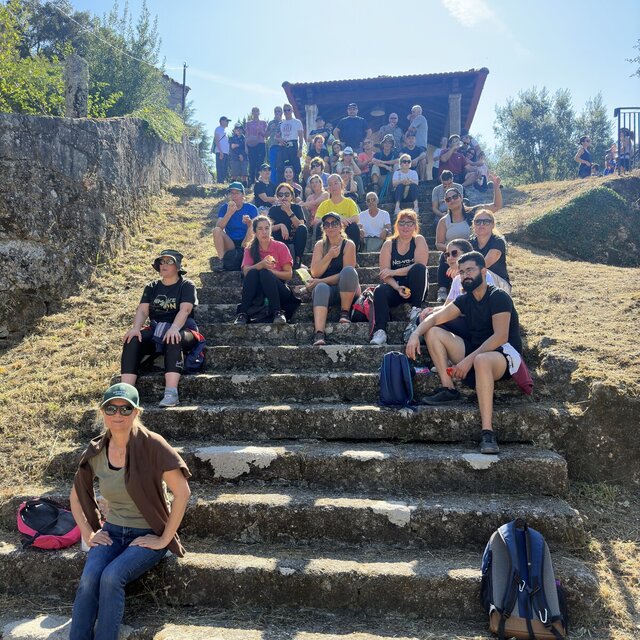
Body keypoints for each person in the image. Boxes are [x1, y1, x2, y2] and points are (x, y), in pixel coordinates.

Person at [69, 382, 191, 640]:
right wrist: (89, 534)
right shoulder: (96, 451)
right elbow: (76, 498)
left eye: (126, 409)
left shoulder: (153, 445)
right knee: (90, 578)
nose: (118, 414)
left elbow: (183, 493)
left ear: (136, 412)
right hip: (112, 531)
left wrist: (164, 539)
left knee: (111, 577)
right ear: (102, 412)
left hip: (147, 533)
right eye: (111, 408)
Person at [406, 251, 524, 455]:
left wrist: (468, 360)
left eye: (470, 270)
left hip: (502, 356)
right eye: (461, 272)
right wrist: (415, 334)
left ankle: (487, 432)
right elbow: (435, 318)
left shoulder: (498, 297)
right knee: (433, 332)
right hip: (475, 353)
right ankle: (448, 388)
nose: (465, 275)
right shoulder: (465, 299)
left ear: (483, 271)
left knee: (482, 360)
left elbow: (500, 337)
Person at [120, 250, 198, 408]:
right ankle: (126, 393)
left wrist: (174, 328)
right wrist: (136, 328)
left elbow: (185, 310)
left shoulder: (186, 285)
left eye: (169, 261)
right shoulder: (152, 287)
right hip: (157, 329)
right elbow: (143, 311)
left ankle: (171, 393)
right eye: (161, 262)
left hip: (184, 329)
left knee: (173, 337)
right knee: (132, 339)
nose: (164, 265)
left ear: (178, 266)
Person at [435, 174, 502, 302]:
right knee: (446, 255)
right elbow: (438, 243)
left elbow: (496, 206)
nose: (452, 200)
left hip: (472, 251)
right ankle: (442, 288)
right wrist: (452, 249)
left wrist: (496, 187)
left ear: (461, 197)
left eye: (455, 197)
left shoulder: (473, 213)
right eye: (448, 199)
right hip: (454, 254)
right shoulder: (444, 221)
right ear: (446, 203)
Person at [370, 210, 429, 345]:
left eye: (409, 223)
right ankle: (380, 331)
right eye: (402, 223)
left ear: (415, 226)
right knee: (379, 290)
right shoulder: (389, 244)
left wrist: (393, 272)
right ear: (397, 225)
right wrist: (397, 287)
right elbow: (384, 274)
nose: (405, 226)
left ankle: (415, 310)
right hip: (396, 286)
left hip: (417, 286)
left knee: (419, 269)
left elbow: (420, 264)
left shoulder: (418, 240)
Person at [308, 212, 360, 346]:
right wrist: (329, 256)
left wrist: (320, 281)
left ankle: (344, 312)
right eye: (327, 224)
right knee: (321, 288)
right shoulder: (320, 245)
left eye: (334, 223)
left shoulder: (348, 245)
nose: (330, 227)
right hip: (325, 292)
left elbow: (346, 275)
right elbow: (315, 272)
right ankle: (319, 333)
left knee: (348, 271)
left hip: (346, 289)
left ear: (341, 226)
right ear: (323, 228)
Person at [234, 216, 297, 326]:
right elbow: (246, 272)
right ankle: (243, 313)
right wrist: (261, 265)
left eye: (267, 228)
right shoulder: (249, 249)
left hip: (279, 289)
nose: (264, 232)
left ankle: (278, 312)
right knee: (253, 272)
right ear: (254, 232)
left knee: (265, 273)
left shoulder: (280, 246)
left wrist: (271, 272)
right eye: (260, 229)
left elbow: (289, 275)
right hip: (258, 292)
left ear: (270, 230)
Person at [213, 182, 258, 270]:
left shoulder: (251, 208)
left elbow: (257, 228)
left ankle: (246, 253)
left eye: (237, 193)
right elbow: (219, 227)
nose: (234, 196)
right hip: (231, 243)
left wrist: (249, 223)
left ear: (243, 195)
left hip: (246, 241)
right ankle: (221, 261)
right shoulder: (225, 208)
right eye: (232, 193)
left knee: (252, 226)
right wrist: (229, 213)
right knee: (216, 230)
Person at [315, 173, 361, 252]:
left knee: (354, 227)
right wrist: (337, 220)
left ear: (342, 185)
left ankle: (352, 255)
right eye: (330, 184)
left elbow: (356, 218)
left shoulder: (349, 202)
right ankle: (322, 254)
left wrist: (343, 222)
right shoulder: (324, 204)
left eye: (336, 183)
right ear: (328, 188)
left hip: (344, 230)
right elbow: (316, 220)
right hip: (329, 231)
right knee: (319, 226)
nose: (333, 186)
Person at [470, 210, 511, 294]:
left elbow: (485, 264)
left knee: (484, 272)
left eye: (486, 222)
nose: (481, 224)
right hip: (476, 280)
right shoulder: (470, 243)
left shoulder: (498, 242)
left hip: (500, 284)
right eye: (478, 222)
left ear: (493, 225)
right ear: (474, 224)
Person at [268, 182, 308, 269]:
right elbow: (268, 228)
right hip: (280, 239)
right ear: (277, 196)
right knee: (274, 231)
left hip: (295, 240)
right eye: (280, 195)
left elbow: (301, 226)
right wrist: (280, 225)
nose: (284, 197)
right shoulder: (274, 210)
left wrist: (289, 211)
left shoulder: (297, 208)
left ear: (291, 196)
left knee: (302, 229)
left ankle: (298, 260)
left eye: (287, 194)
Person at [276, 104, 304, 182]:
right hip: (283, 146)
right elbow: (276, 137)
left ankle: (295, 186)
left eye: (288, 110)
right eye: (285, 110)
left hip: (293, 145)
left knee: (295, 168)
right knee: (281, 167)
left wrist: (300, 149)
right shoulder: (281, 123)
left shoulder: (297, 122)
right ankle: (282, 186)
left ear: (292, 110)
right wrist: (280, 139)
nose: (287, 112)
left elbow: (301, 137)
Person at [245, 107, 267, 184]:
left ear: (259, 112)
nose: (255, 113)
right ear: (252, 113)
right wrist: (245, 147)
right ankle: (251, 182)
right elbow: (246, 136)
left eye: (257, 111)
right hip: (251, 145)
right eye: (253, 111)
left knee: (260, 163)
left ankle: (259, 181)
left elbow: (266, 135)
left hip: (261, 144)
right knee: (252, 164)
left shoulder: (263, 123)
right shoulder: (248, 123)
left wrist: (260, 131)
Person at [304, 174, 329, 241]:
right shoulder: (310, 197)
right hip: (311, 219)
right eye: (312, 183)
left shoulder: (325, 194)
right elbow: (306, 208)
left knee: (316, 222)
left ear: (320, 183)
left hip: (322, 218)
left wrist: (303, 204)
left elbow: (316, 202)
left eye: (316, 182)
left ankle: (314, 244)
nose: (314, 184)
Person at [266, 106, 283, 184]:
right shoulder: (271, 122)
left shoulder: (284, 122)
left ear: (282, 113)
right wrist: (271, 129)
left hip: (282, 147)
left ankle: (281, 183)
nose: (277, 113)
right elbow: (266, 135)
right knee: (272, 166)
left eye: (279, 111)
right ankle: (273, 184)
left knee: (281, 166)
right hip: (272, 146)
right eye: (276, 111)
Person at [212, 116, 230, 184]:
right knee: (220, 168)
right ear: (222, 121)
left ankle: (222, 182)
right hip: (220, 152)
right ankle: (220, 182)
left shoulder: (224, 130)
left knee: (224, 168)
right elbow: (216, 140)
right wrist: (220, 151)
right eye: (226, 121)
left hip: (225, 152)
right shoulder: (218, 129)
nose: (228, 123)